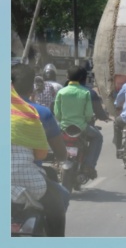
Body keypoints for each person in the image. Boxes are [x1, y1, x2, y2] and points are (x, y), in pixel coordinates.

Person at [12, 63, 69, 236]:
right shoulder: (35, 114)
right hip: (30, 180)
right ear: (33, 87)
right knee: (61, 197)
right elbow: (44, 153)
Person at [53, 66, 103, 180]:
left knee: (51, 136)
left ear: (67, 76)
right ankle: (89, 166)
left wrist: (63, 121)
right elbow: (88, 114)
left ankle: (56, 160)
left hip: (64, 127)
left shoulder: (61, 92)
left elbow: (57, 113)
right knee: (98, 137)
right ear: (82, 78)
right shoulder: (85, 92)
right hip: (82, 127)